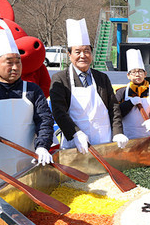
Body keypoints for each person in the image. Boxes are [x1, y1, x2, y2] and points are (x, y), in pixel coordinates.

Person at [0, 28, 54, 225]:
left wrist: (42, 146)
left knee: (27, 219)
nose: (15, 67)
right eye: (9, 62)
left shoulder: (32, 90)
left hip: (26, 164)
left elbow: (45, 120)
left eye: (18, 61)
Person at [50, 18, 128, 153]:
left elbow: (114, 108)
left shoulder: (101, 78)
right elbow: (59, 112)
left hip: (103, 140)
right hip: (76, 144)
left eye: (86, 51)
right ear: (69, 54)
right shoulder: (60, 79)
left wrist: (118, 132)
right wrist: (75, 133)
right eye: (77, 52)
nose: (83, 55)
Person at [115, 49, 150, 139]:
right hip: (126, 136)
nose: (137, 75)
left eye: (140, 71)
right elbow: (116, 113)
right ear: (128, 75)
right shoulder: (121, 92)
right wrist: (129, 103)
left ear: (145, 74)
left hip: (147, 136)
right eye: (133, 72)